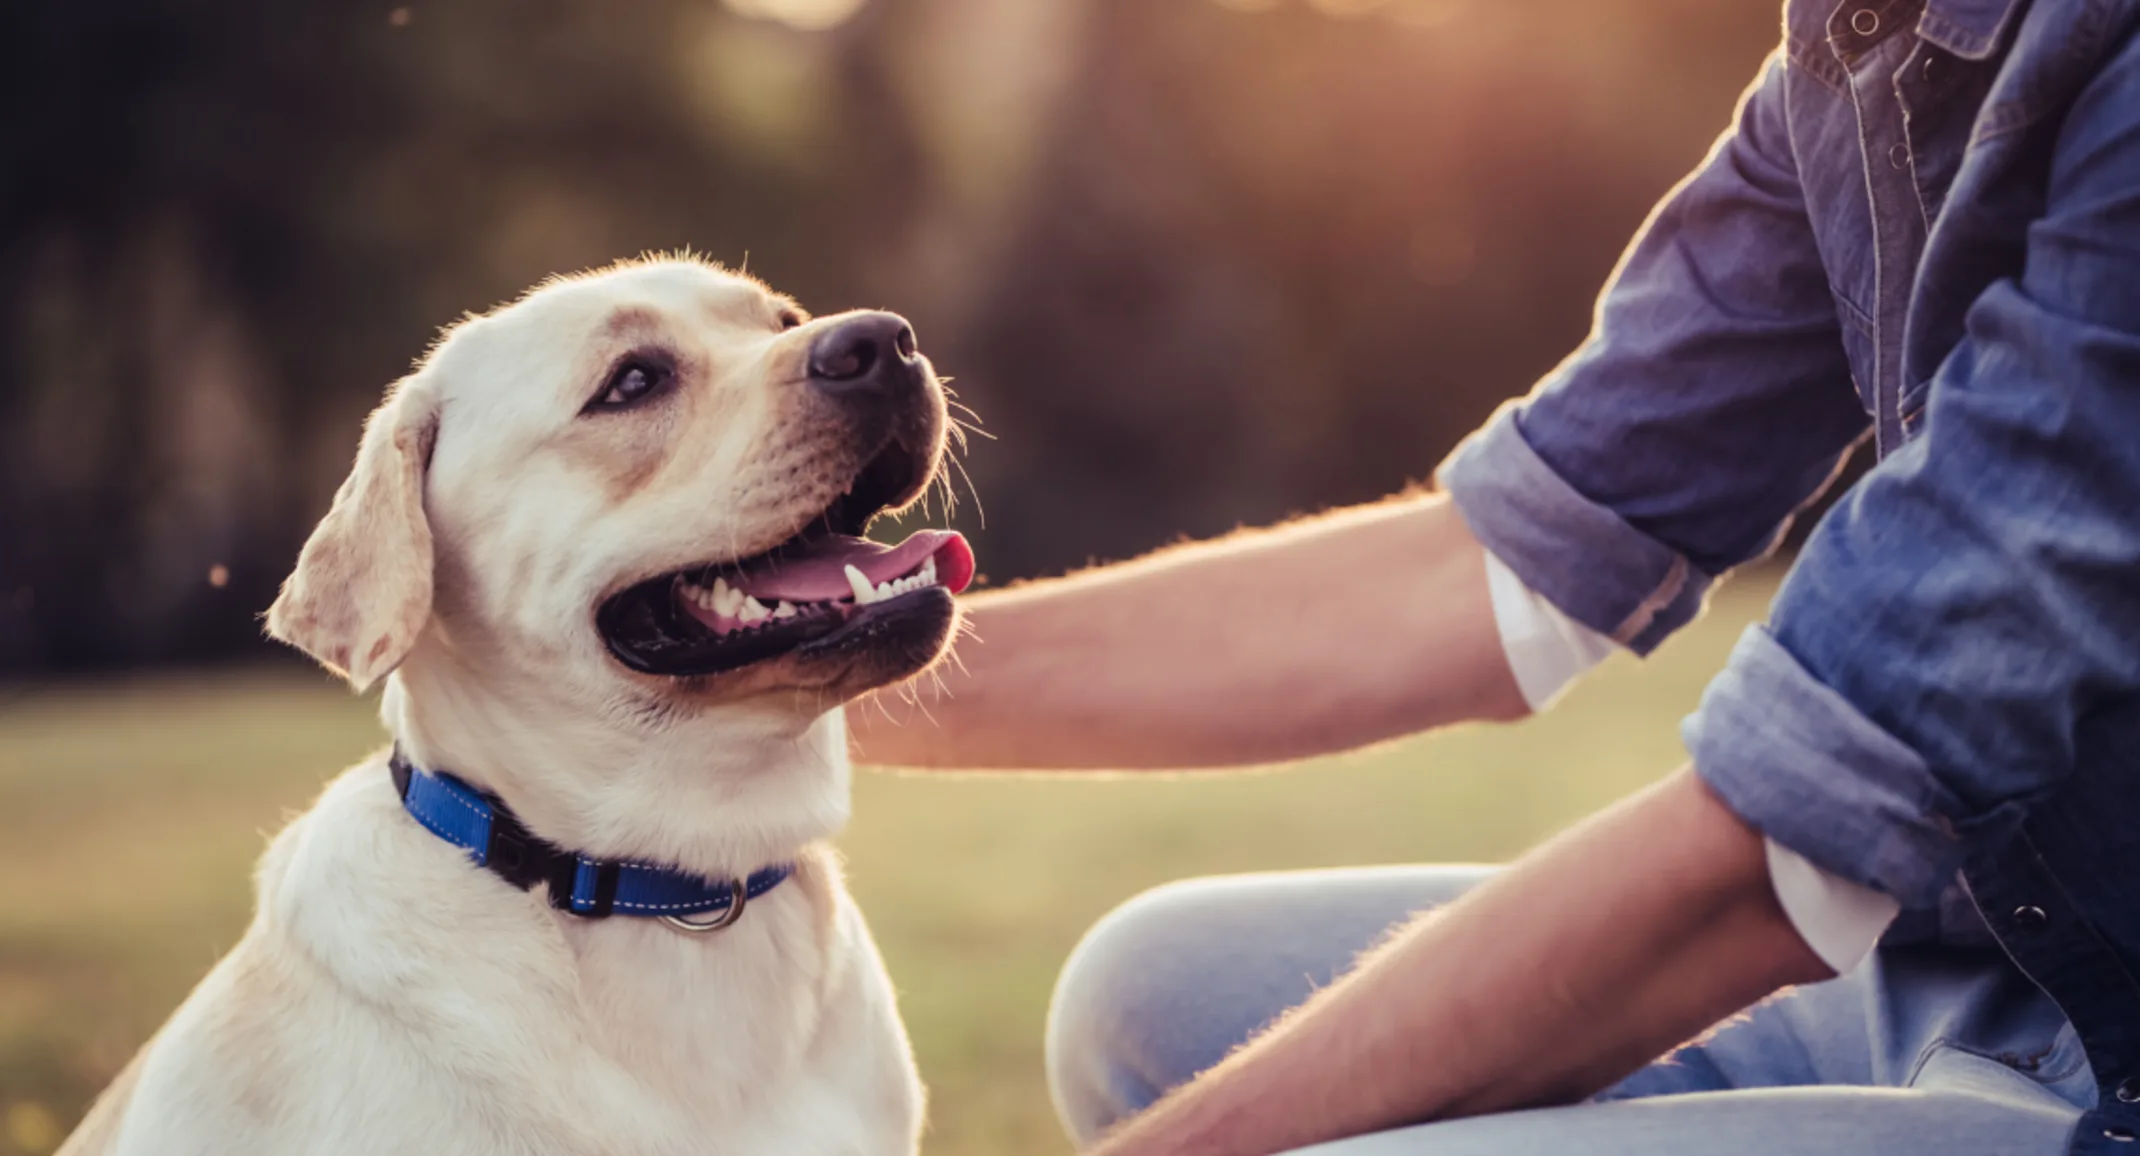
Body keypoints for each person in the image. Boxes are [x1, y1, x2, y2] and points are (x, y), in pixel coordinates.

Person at [849, 1, 2140, 1152]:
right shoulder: (1864, 40)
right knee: (1146, 993)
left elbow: (1798, 837)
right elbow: (1508, 562)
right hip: (1973, 969)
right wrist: (801, 687)